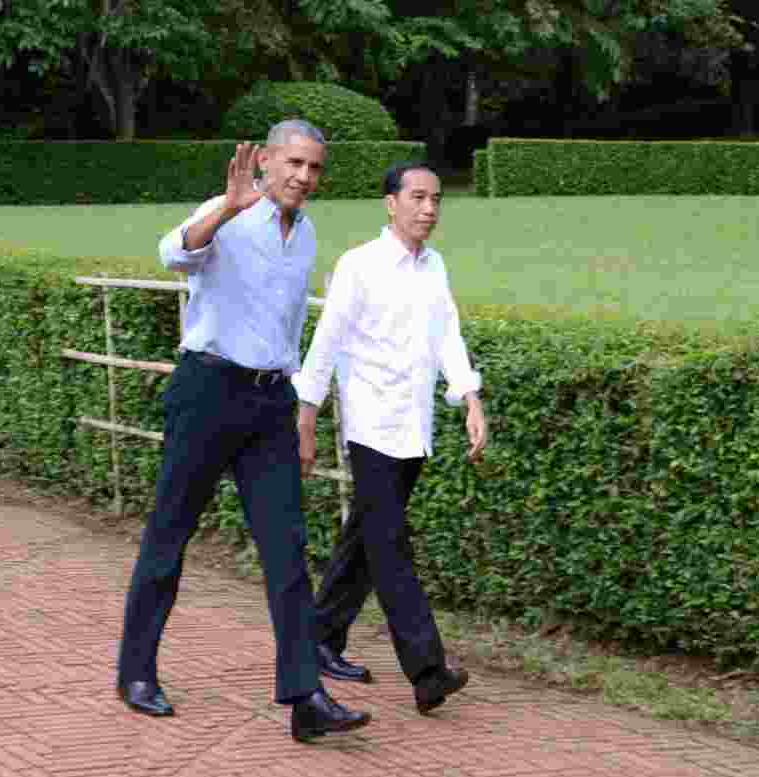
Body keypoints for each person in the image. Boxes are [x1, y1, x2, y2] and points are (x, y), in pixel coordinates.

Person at [116, 119, 371, 743]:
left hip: (269, 407)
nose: (303, 177)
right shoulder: (230, 210)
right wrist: (225, 210)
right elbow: (173, 252)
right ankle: (135, 671)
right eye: (294, 163)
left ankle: (305, 695)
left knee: (287, 552)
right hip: (207, 392)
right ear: (266, 161)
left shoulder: (306, 234)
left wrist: (299, 409)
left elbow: (284, 332)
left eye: (314, 168)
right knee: (168, 538)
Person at [292, 160, 489, 715]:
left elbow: (448, 333)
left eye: (436, 200)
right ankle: (428, 672)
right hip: (373, 429)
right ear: (391, 203)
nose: (429, 209)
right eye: (418, 198)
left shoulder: (434, 266)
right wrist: (306, 416)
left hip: (414, 428)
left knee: (363, 540)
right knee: (389, 548)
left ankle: (321, 637)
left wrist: (469, 398)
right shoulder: (361, 266)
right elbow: (325, 344)